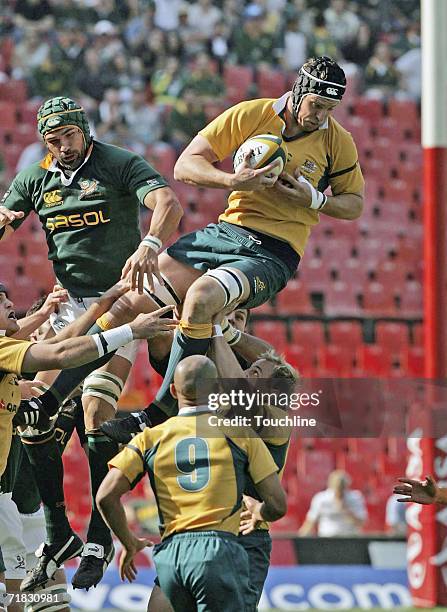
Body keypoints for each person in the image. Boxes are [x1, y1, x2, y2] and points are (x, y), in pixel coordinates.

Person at [93, 54, 364, 437]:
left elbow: (354, 203)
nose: (321, 116)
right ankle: (60, 401)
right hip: (226, 233)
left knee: (201, 298)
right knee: (130, 299)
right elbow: (185, 165)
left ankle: (158, 414)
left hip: (274, 252)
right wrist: (234, 181)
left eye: (330, 109)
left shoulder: (338, 141)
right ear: (298, 92)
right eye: (316, 105)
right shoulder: (252, 114)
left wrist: (314, 200)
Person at [0, 95, 183, 588]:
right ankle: (60, 531)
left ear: (85, 130)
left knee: (96, 415)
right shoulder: (37, 177)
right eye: (51, 139)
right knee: (32, 413)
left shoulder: (117, 163)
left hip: (121, 296)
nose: (61, 146)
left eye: (68, 136)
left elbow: (167, 202)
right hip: (67, 307)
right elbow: (6, 218)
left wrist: (149, 244)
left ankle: (99, 538)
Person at [0, 279, 178, 593]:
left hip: (118, 302)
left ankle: (92, 539)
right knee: (36, 414)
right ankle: (65, 536)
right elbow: (56, 350)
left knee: (93, 412)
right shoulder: (14, 358)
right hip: (76, 306)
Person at [96, 355, 287, 612]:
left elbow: (105, 496)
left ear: (173, 391)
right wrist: (259, 512)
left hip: (173, 553)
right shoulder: (240, 433)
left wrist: (128, 542)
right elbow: (277, 504)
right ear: (217, 391)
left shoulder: (150, 437)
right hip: (220, 549)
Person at [298, 470, 367, 536]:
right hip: (327, 539)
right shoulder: (321, 499)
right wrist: (300, 537)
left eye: (342, 488)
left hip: (350, 538)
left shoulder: (356, 498)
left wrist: (345, 510)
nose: (339, 491)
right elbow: (311, 521)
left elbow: (361, 523)